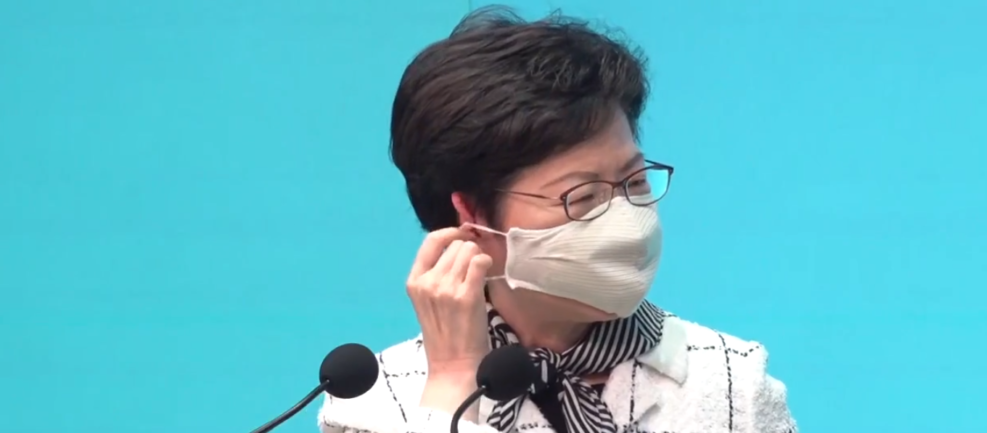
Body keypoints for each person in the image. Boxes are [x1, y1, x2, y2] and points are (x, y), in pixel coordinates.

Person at [318, 6, 797, 433]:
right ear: (472, 216)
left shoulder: (729, 379)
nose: (626, 220)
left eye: (635, 182)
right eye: (581, 197)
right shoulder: (374, 401)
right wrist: (452, 383)